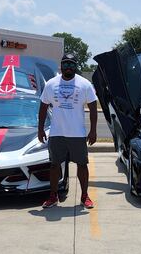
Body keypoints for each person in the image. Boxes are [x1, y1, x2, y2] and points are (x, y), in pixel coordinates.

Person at [38, 54, 98, 209]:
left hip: (77, 134)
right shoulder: (51, 84)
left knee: (82, 165)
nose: (68, 67)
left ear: (76, 66)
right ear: (61, 66)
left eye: (71, 64)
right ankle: (53, 196)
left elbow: (92, 108)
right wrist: (40, 129)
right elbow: (43, 107)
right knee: (54, 165)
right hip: (57, 133)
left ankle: (85, 196)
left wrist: (93, 131)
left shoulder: (84, 84)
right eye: (65, 64)